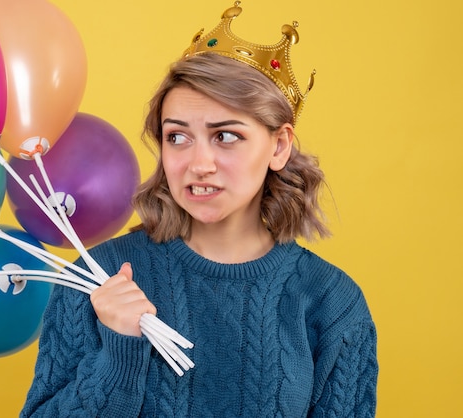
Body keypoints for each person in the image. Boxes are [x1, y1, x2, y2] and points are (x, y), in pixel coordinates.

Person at [21, 3, 378, 417]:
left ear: (279, 146)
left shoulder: (331, 304)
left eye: (225, 135)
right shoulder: (97, 278)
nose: (197, 163)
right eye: (177, 137)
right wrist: (118, 352)